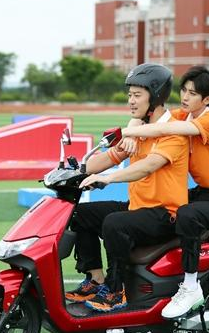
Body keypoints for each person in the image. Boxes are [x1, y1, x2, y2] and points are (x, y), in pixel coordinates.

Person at [64, 63, 189, 312]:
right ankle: (95, 279)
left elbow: (147, 166)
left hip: (165, 214)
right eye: (129, 95)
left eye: (137, 95)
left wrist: (109, 178)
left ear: (155, 96)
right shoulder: (137, 130)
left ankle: (116, 290)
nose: (130, 101)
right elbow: (103, 160)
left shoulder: (173, 133)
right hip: (138, 208)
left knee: (114, 223)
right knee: (79, 214)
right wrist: (78, 171)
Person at [120, 65, 209, 319]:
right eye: (183, 91)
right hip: (202, 191)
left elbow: (163, 129)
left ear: (207, 99)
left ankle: (190, 285)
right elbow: (149, 115)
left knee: (186, 214)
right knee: (165, 210)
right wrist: (132, 128)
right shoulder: (184, 114)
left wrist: (125, 132)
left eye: (192, 94)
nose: (185, 97)